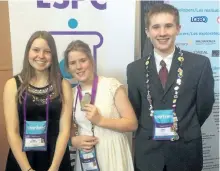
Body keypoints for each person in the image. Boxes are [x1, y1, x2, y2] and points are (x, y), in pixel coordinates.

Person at [127, 3, 215, 171]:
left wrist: (186, 126)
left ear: (178, 28)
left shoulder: (199, 64)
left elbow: (204, 106)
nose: (162, 33)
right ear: (147, 32)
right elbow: (135, 109)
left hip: (186, 152)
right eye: (156, 27)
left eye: (168, 26)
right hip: (148, 155)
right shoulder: (134, 69)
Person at [3, 31, 73, 171]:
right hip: (23, 158)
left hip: (55, 158)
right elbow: (12, 132)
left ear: (52, 55)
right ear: (28, 51)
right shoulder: (12, 85)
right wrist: (27, 169)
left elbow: (64, 131)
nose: (41, 56)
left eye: (47, 51)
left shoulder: (63, 85)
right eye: (36, 50)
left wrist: (54, 168)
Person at [64, 40, 137, 171]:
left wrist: (100, 120)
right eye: (73, 63)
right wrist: (74, 141)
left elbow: (132, 124)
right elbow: (66, 129)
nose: (78, 66)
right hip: (86, 158)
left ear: (91, 61)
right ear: (68, 69)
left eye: (82, 60)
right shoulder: (71, 94)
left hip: (114, 154)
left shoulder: (111, 85)